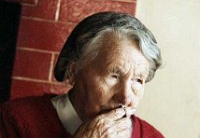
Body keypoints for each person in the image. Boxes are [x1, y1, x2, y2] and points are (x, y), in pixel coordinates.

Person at [0, 12, 164, 137]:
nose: (126, 97)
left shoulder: (151, 136)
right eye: (113, 76)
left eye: (138, 80)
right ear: (73, 72)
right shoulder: (15, 120)